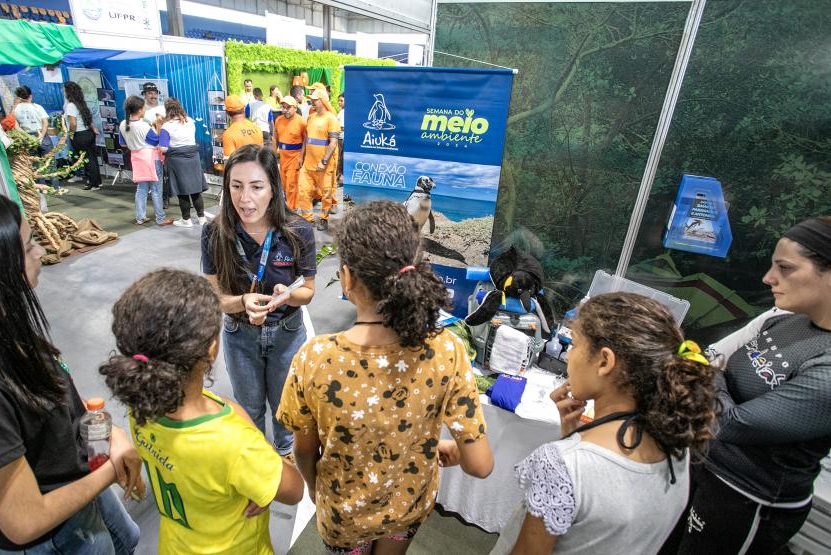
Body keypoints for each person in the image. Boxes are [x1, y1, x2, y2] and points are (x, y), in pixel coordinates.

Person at [0, 187, 143, 554]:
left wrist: (108, 433)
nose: (40, 252)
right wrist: (113, 466)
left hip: (79, 490)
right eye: (26, 246)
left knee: (127, 540)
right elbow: (25, 521)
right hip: (55, 536)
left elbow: (45, 399)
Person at [277, 200, 494, 554]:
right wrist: (450, 447)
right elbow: (481, 465)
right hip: (408, 509)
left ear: (347, 278)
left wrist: (318, 493)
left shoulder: (314, 359)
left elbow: (304, 451)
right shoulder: (447, 351)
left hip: (343, 513)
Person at [490, 292, 716, 555]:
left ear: (605, 361)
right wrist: (572, 435)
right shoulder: (676, 445)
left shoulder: (561, 465)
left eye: (574, 345)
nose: (568, 356)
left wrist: (569, 449)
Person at [99, 268, 304, 554]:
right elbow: (294, 490)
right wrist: (244, 425)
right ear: (211, 349)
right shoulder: (233, 441)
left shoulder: (142, 406)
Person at [663, 216, 831, 554]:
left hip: (747, 498)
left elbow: (730, 423)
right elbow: (709, 361)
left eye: (785, 268)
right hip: (704, 470)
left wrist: (710, 374)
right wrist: (711, 372)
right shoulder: (784, 320)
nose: (769, 278)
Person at [202, 144, 316, 457]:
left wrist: (288, 296)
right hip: (240, 337)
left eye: (256, 187)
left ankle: (285, 454)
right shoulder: (215, 233)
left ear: (273, 188)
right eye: (236, 187)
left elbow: (307, 290)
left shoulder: (297, 231)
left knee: (285, 408)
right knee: (248, 410)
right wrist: (241, 301)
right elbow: (213, 297)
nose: (245, 198)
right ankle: (257, 464)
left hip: (287, 335)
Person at [117, 95, 172, 227]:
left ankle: (140, 217)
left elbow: (122, 144)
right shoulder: (143, 126)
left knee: (141, 189)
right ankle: (160, 218)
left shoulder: (123, 124)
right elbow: (157, 141)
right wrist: (159, 125)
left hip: (136, 159)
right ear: (140, 109)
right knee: (156, 190)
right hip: (151, 159)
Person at [158, 97, 211, 227]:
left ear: (167, 110)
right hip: (193, 158)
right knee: (195, 189)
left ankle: (186, 220)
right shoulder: (190, 121)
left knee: (182, 190)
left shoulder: (166, 126)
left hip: (177, 161)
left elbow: (163, 148)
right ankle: (201, 218)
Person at [297, 88, 339, 231]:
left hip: (324, 166)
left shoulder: (331, 119)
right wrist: (301, 157)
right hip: (307, 165)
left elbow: (333, 143)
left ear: (322, 100)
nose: (312, 101)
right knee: (303, 191)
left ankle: (324, 218)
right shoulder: (310, 117)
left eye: (315, 99)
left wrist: (324, 161)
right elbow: (306, 140)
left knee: (326, 193)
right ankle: (307, 219)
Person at [63, 80, 102, 191]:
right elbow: (88, 119)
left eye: (64, 91)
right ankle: (97, 182)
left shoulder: (70, 105)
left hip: (80, 135)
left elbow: (73, 123)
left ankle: (93, 184)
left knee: (87, 160)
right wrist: (93, 129)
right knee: (92, 159)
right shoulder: (81, 103)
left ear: (68, 92)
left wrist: (71, 134)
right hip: (88, 133)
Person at [272, 95, 306, 210]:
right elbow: (275, 138)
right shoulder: (278, 120)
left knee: (292, 184)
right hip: (283, 157)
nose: (285, 110)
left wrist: (301, 157)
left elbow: (306, 140)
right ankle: (290, 205)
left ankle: (292, 209)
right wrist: (272, 155)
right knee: (284, 184)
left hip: (295, 156)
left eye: (288, 107)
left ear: (295, 108)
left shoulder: (301, 122)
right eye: (283, 107)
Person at [221, 95, 263, 162]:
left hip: (241, 171)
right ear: (243, 109)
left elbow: (229, 164)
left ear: (227, 112)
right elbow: (263, 155)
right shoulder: (257, 128)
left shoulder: (228, 134)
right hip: (258, 170)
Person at [337, 93, 345, 186]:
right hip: (339, 137)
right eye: (338, 100)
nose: (339, 102)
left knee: (340, 159)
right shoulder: (341, 111)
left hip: (341, 138)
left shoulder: (344, 112)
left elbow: (342, 127)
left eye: (341, 101)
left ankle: (340, 178)